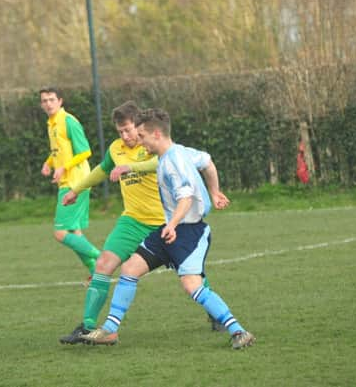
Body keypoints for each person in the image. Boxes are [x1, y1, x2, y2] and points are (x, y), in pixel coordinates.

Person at [81, 108, 256, 350]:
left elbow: (186, 198)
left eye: (142, 136)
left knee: (192, 285)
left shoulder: (173, 163)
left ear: (156, 134)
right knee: (130, 268)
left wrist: (173, 224)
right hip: (170, 229)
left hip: (189, 232)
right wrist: (214, 192)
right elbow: (207, 162)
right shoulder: (180, 151)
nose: (140, 142)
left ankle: (238, 330)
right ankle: (110, 330)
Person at [59, 102, 224, 344]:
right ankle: (88, 327)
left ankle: (215, 313)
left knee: (189, 273)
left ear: (140, 127)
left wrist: (130, 167)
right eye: (120, 132)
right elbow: (102, 170)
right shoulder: (116, 149)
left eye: (128, 130)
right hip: (132, 221)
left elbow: (160, 162)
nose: (125, 136)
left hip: (165, 222)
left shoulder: (153, 147)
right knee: (104, 263)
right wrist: (77, 189)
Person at [39, 86, 100, 277]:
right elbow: (59, 150)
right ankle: (95, 272)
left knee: (60, 232)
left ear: (60, 101)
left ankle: (102, 258)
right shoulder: (52, 123)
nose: (48, 104)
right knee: (74, 232)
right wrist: (48, 163)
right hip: (67, 182)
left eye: (51, 99)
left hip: (76, 182)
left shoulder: (68, 121)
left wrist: (64, 168)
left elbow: (85, 151)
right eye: (44, 101)